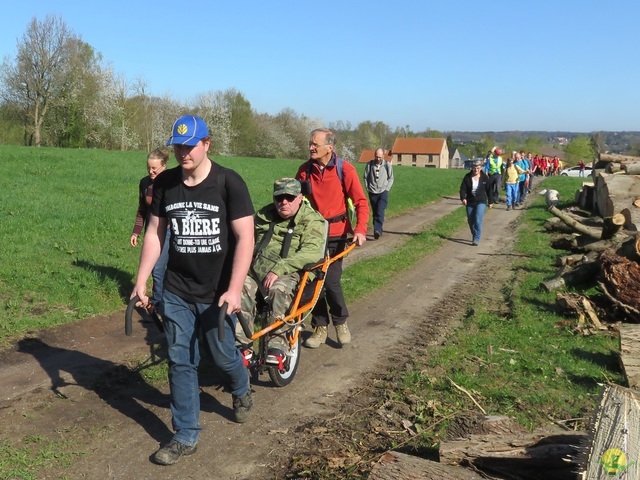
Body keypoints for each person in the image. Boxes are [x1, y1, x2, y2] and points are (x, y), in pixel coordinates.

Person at [130, 115, 255, 466]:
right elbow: (155, 233)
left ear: (207, 144)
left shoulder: (228, 183)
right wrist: (141, 280)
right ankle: (185, 434)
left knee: (222, 354)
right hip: (177, 288)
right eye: (178, 145)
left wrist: (233, 289)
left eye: (190, 145)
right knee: (180, 358)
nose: (183, 152)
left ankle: (242, 388)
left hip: (217, 291)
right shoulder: (167, 183)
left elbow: (246, 237)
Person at [238, 178, 327, 363]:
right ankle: (241, 345)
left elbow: (311, 252)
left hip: (291, 271)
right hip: (257, 269)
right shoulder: (264, 216)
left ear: (300, 198)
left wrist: (280, 268)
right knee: (238, 289)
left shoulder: (312, 220)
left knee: (278, 291)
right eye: (279, 198)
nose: (284, 202)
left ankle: (277, 345)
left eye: (289, 197)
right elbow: (245, 240)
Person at [296, 128, 370, 348]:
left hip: (337, 235)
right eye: (310, 144)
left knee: (331, 282)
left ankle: (340, 322)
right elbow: (295, 201)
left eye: (314, 145)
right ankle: (319, 326)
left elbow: (361, 202)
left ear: (329, 148)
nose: (310, 148)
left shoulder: (344, 170)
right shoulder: (304, 171)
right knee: (312, 281)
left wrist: (360, 229)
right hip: (313, 235)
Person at [130, 149, 170, 316]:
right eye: (149, 168)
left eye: (155, 168)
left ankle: (162, 303)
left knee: (163, 269)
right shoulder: (145, 183)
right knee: (157, 268)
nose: (151, 171)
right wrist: (136, 232)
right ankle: (158, 304)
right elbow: (142, 209)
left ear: (164, 166)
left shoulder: (171, 183)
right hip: (152, 232)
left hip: (171, 232)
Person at [460, 159, 494, 246]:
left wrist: (490, 201)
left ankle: (476, 238)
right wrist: (463, 198)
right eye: (475, 168)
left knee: (478, 219)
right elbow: (463, 189)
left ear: (481, 168)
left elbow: (489, 190)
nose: (476, 170)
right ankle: (475, 234)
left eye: (478, 168)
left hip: (481, 201)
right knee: (471, 221)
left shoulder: (484, 177)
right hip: (470, 201)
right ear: (472, 168)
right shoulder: (467, 177)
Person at [363, 148, 394, 239]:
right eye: (376, 157)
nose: (378, 159)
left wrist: (387, 189)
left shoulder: (387, 165)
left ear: (383, 156)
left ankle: (377, 230)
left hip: (383, 191)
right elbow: (365, 177)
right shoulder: (369, 165)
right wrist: (368, 188)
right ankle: (377, 229)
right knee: (375, 211)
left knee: (380, 210)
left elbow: (391, 178)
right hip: (372, 191)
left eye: (380, 157)